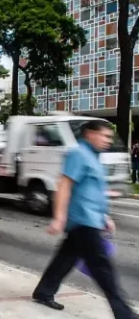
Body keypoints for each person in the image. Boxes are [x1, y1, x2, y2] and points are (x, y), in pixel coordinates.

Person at [32, 120, 137, 319]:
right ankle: (125, 314)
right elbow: (64, 184)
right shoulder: (78, 154)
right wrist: (59, 216)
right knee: (103, 270)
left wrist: (104, 216)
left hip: (90, 219)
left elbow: (92, 191)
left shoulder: (93, 157)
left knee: (65, 259)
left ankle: (44, 291)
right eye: (105, 136)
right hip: (83, 221)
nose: (108, 141)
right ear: (90, 134)